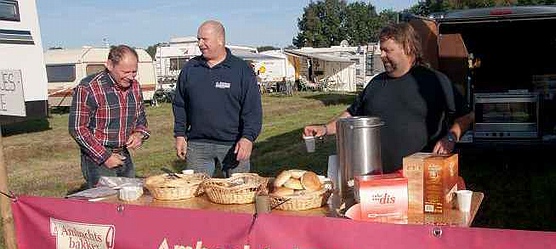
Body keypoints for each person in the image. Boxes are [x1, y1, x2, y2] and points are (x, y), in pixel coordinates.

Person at [303, 22, 473, 174]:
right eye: (381, 50)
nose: (381, 55)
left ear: (407, 48)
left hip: (422, 177)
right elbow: (351, 115)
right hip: (377, 177)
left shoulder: (434, 81)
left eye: (387, 50)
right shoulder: (376, 84)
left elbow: (466, 115)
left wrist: (451, 137)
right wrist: (325, 129)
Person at [173, 20, 263, 177]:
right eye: (198, 39)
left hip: (233, 145)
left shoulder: (241, 70)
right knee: (196, 193)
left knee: (237, 194)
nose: (200, 44)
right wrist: (180, 134)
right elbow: (180, 104)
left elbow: (253, 110)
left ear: (220, 40)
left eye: (204, 39)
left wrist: (248, 138)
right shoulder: (190, 68)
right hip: (197, 145)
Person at [69, 45, 149, 188]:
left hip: (123, 154)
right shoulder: (89, 87)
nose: (131, 76)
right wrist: (105, 156)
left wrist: (139, 134)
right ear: (110, 65)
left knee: (131, 198)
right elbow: (77, 128)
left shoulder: (135, 86)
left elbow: (141, 118)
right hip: (97, 158)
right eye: (125, 72)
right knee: (105, 203)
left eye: (134, 71)